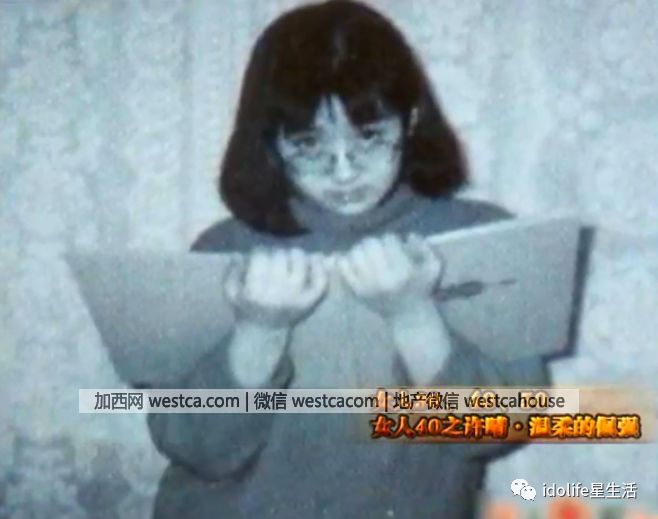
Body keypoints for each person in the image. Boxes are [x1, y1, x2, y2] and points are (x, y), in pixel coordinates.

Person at [146, 1, 550, 517]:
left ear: (410, 120)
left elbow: (501, 428)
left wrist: (412, 314)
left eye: (370, 137)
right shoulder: (223, 251)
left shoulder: (482, 238)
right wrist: (260, 330)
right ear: (270, 143)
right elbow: (196, 447)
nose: (342, 170)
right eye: (308, 144)